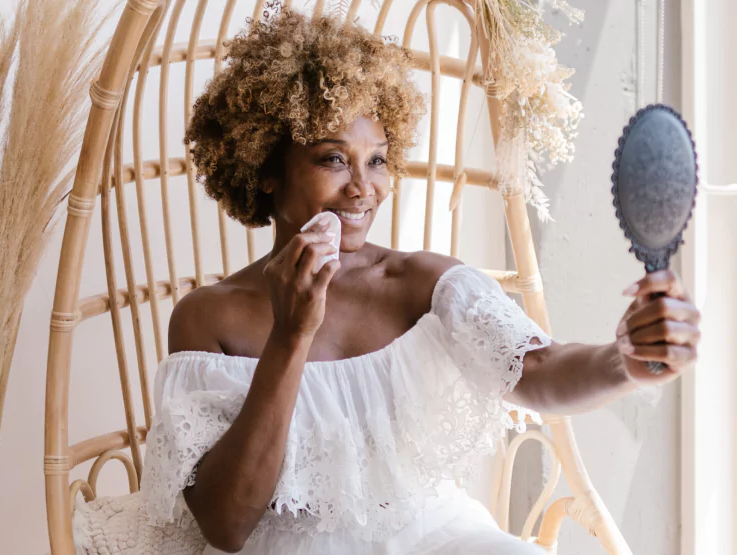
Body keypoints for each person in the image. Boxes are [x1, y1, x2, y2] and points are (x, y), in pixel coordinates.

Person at [141, 7, 701, 554]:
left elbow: (541, 371)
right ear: (265, 168)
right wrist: (291, 335)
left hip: (436, 536)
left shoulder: (422, 284)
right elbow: (226, 526)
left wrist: (627, 357)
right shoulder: (208, 317)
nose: (363, 189)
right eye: (333, 159)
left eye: (378, 160)